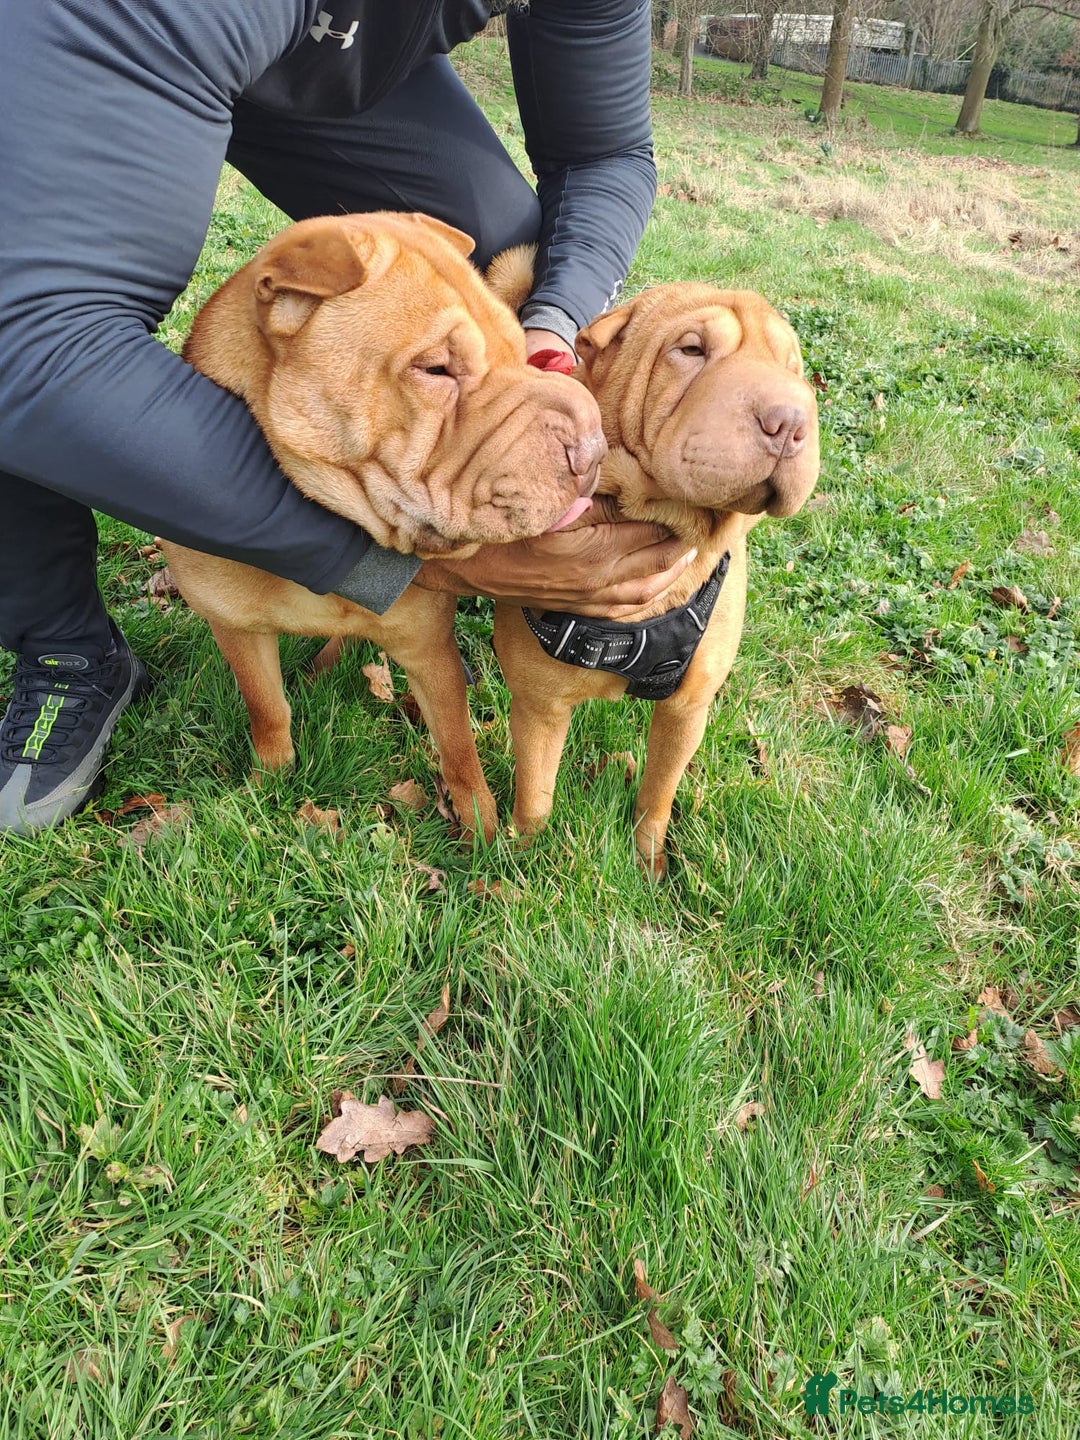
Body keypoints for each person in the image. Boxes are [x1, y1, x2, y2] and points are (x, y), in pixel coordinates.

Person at [0, 0, 694, 834]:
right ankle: (66, 647)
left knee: (492, 234)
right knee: (28, 315)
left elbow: (607, 152)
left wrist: (537, 336)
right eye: (442, 369)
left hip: (332, 41)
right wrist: (404, 566)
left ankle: (469, 470)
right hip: (126, 31)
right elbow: (34, 345)